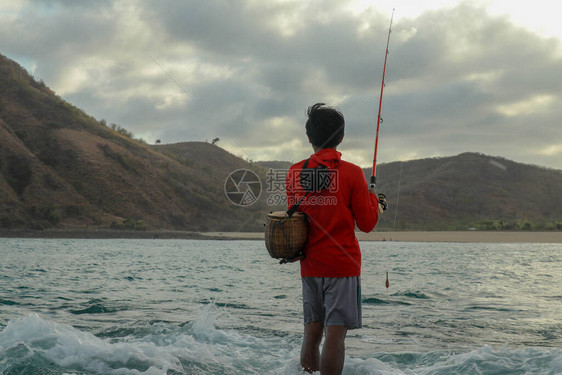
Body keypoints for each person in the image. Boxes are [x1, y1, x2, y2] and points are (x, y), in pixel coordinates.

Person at [286, 103, 380, 374]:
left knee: (312, 331)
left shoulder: (294, 173)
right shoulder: (351, 173)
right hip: (342, 265)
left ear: (309, 137)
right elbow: (367, 223)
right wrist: (375, 198)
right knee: (335, 335)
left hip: (310, 266)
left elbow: (297, 218)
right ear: (341, 137)